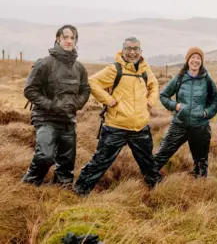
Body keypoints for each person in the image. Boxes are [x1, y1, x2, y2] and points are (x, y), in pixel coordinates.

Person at [74, 37, 160, 196]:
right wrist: (108, 100)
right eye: (129, 49)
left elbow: (154, 85)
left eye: (136, 49)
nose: (132, 52)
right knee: (100, 161)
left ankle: (158, 191)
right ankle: (80, 192)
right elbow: (92, 82)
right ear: (123, 50)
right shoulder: (115, 69)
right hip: (116, 126)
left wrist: (150, 101)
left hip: (140, 127)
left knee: (148, 163)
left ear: (140, 51)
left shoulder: (145, 70)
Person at [22, 25, 90, 187]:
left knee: (67, 162)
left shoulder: (79, 67)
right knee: (44, 156)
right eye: (65, 37)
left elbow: (85, 89)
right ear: (57, 39)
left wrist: (76, 104)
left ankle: (62, 191)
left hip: (68, 119)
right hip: (46, 118)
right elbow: (30, 90)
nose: (69, 41)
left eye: (72, 38)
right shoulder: (44, 64)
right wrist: (52, 105)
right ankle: (28, 187)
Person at [154, 47, 217, 179]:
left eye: (198, 58)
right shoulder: (179, 78)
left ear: (201, 61)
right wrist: (175, 106)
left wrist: (206, 113)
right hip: (179, 124)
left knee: (201, 164)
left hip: (200, 126)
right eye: (193, 57)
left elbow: (216, 100)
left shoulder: (207, 79)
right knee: (160, 155)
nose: (195, 60)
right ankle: (150, 181)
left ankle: (199, 187)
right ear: (188, 60)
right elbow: (163, 96)